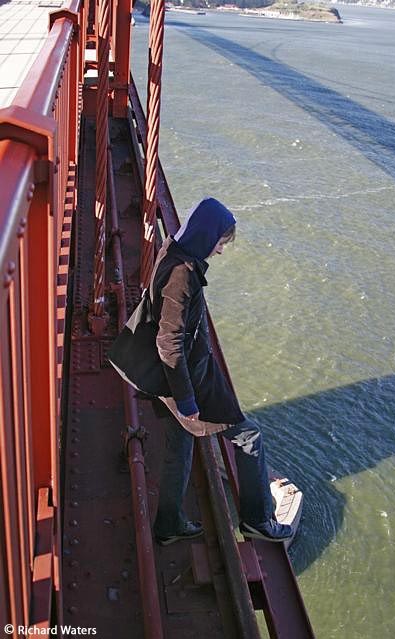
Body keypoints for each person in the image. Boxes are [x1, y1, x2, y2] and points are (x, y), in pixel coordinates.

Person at [144, 197, 293, 545]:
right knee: (249, 437)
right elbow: (170, 342)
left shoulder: (173, 251)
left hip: (171, 380)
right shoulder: (183, 275)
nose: (221, 251)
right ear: (207, 235)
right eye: (220, 242)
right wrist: (187, 401)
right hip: (190, 384)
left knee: (180, 445)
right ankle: (258, 520)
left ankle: (168, 525)